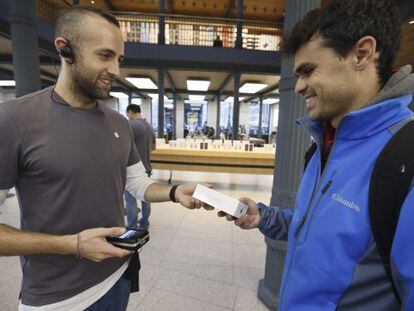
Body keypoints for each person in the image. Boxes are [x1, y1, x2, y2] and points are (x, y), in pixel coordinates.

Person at [0, 7, 209, 311]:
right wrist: (73, 245)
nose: (116, 70)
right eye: (104, 56)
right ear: (65, 49)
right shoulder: (14, 119)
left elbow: (138, 184)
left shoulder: (119, 123)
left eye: (119, 60)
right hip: (56, 300)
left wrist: (175, 193)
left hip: (118, 276)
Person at [222, 0, 414, 310]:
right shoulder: (324, 144)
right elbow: (316, 229)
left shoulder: (405, 160)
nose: (298, 87)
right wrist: (265, 216)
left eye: (308, 71)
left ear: (362, 53)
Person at [125, 104, 155, 230]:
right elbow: (153, 147)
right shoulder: (149, 126)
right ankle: (144, 223)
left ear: (130, 112)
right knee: (145, 197)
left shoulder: (131, 125)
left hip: (133, 169)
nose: (128, 117)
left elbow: (124, 146)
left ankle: (131, 227)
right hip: (147, 167)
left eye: (128, 114)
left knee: (130, 200)